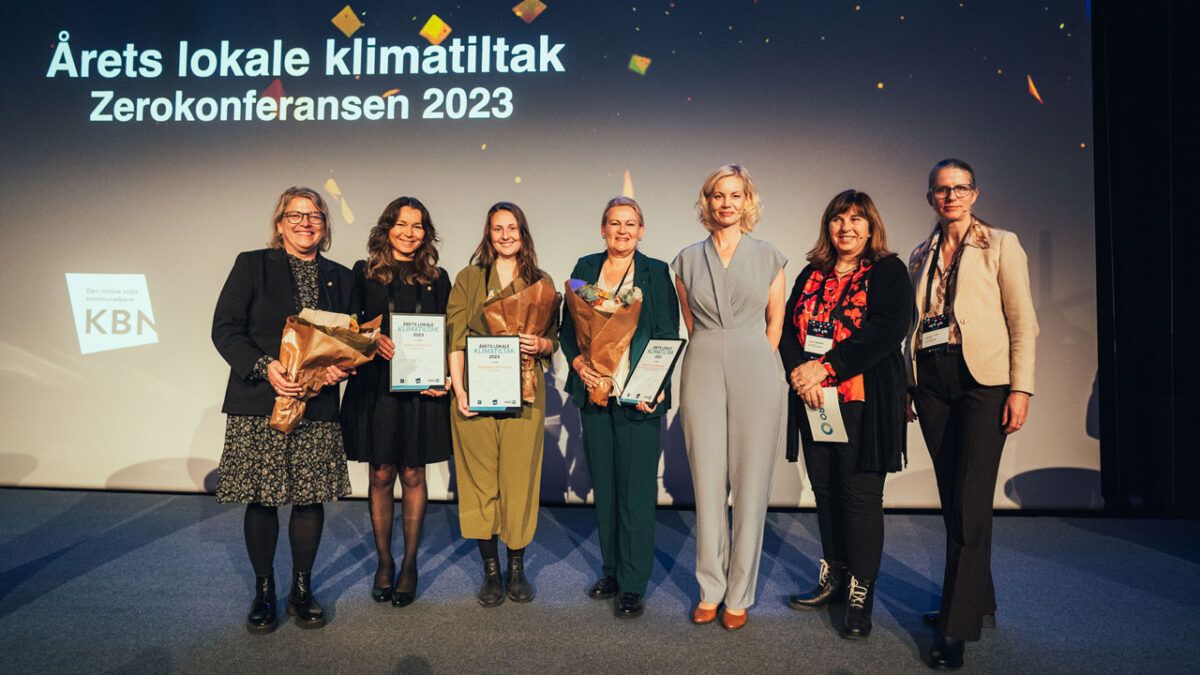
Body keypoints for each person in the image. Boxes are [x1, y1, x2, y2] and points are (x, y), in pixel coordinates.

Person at [906, 159, 1038, 670]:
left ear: (975, 193)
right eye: (941, 189)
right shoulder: (922, 253)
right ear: (930, 198)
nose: (951, 196)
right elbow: (914, 326)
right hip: (933, 381)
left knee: (970, 498)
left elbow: (1023, 321)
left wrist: (1021, 388)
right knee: (952, 498)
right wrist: (908, 384)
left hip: (984, 383)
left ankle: (956, 627)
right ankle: (978, 600)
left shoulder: (1002, 244)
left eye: (960, 188)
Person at [212, 186, 354, 633]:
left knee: (310, 500)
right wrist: (264, 366)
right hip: (261, 404)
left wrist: (337, 370)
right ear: (279, 223)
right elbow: (225, 329)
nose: (305, 223)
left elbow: (349, 342)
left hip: (316, 405)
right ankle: (265, 590)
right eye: (296, 215)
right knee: (263, 499)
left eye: (314, 216)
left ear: (325, 225)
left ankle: (302, 589)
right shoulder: (253, 264)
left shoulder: (341, 276)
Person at [779, 190, 914, 639]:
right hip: (813, 401)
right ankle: (833, 578)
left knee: (859, 497)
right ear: (828, 227)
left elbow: (888, 329)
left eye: (857, 219)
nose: (847, 227)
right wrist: (802, 374)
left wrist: (827, 367)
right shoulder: (810, 272)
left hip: (863, 401)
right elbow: (784, 330)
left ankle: (860, 592)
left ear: (871, 227)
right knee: (826, 491)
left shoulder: (888, 271)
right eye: (838, 219)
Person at [671, 165, 788, 630]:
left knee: (752, 482)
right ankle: (710, 588)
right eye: (718, 195)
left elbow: (775, 323)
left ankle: (739, 593)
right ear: (707, 202)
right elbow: (691, 323)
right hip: (702, 362)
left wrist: (756, 362)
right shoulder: (685, 259)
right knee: (706, 481)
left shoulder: (769, 256)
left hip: (755, 364)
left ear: (747, 202)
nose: (726, 203)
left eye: (735, 195)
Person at [560, 197, 681, 619]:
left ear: (642, 230)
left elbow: (667, 332)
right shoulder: (584, 268)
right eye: (615, 223)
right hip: (595, 394)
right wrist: (578, 363)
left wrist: (657, 383)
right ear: (603, 229)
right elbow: (566, 330)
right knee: (606, 489)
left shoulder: (656, 272)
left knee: (635, 493)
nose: (622, 230)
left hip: (638, 396)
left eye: (631, 224)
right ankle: (610, 570)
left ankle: (633, 584)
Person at [339, 197, 452, 607]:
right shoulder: (362, 273)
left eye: (418, 225)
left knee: (414, 474)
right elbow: (346, 330)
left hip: (419, 392)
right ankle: (384, 562)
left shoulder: (438, 279)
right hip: (376, 390)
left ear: (426, 233)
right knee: (382, 474)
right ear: (387, 228)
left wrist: (445, 374)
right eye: (402, 224)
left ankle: (409, 566)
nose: (409, 232)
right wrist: (370, 340)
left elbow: (448, 336)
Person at [446, 202, 560, 607]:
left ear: (523, 233)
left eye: (513, 228)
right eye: (498, 228)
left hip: (526, 395)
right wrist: (460, 391)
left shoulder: (542, 282)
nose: (506, 235)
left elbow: (554, 339)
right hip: (476, 392)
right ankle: (490, 572)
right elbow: (456, 337)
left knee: (518, 481)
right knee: (479, 483)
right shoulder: (468, 278)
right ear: (488, 233)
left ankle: (517, 568)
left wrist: (542, 343)